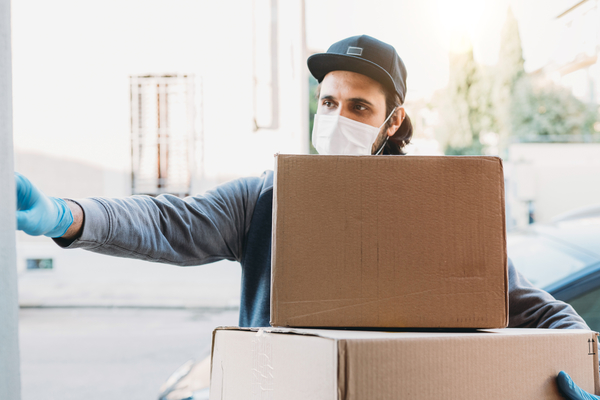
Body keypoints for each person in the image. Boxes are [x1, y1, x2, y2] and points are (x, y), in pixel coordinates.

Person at [14, 35, 595, 399]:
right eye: (328, 101)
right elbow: (171, 222)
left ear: (392, 123)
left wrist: (581, 370)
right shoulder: (268, 198)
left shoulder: (434, 212)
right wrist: (65, 215)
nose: (337, 116)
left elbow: (543, 312)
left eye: (359, 106)